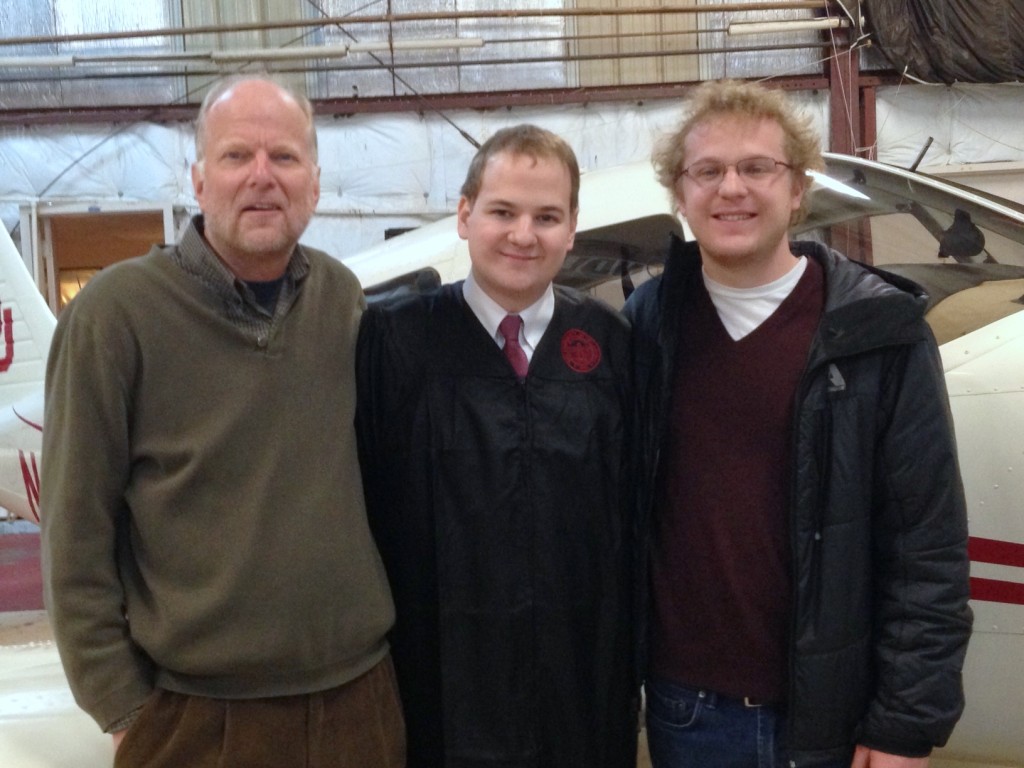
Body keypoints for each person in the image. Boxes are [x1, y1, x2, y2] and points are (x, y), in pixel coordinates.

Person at [40, 75, 403, 768]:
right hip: (197, 717)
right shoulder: (115, 317)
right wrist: (124, 711)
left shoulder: (340, 297)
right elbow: (74, 536)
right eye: (237, 156)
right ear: (199, 181)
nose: (263, 176)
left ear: (315, 183)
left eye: (285, 157)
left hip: (358, 704)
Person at [625, 79, 973, 768]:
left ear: (797, 189)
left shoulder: (878, 330)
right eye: (707, 171)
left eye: (757, 167)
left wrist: (904, 724)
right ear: (679, 195)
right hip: (684, 712)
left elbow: (926, 545)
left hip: (833, 719)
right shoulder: (647, 326)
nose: (732, 188)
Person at [356, 124, 638, 768]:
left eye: (547, 217)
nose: (523, 235)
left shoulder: (610, 345)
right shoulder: (395, 341)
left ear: (572, 229)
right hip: (439, 682)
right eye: (503, 212)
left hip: (579, 682)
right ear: (464, 216)